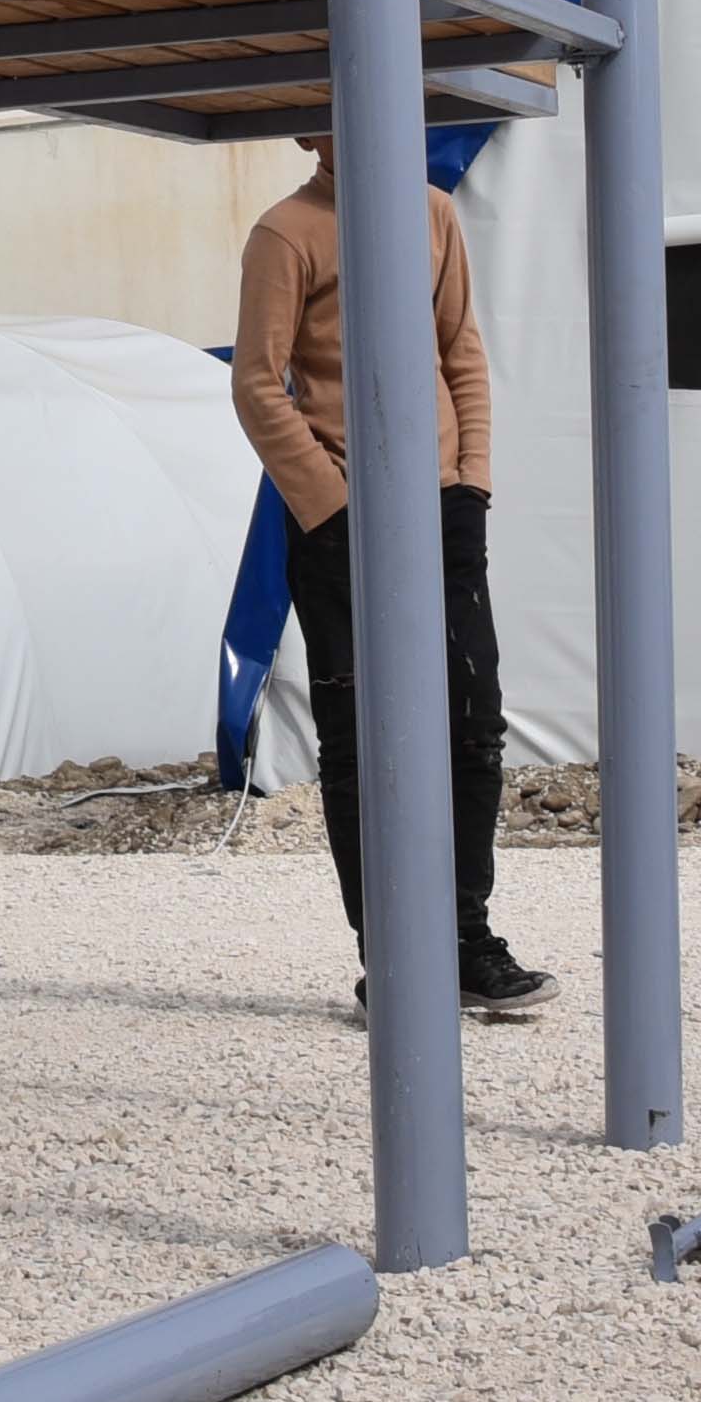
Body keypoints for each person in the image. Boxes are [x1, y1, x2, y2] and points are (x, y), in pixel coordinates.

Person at [231, 133, 552, 1021]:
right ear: (309, 132)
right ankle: (392, 957)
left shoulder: (434, 214)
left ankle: (463, 940)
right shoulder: (287, 232)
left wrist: (473, 481)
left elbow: (464, 355)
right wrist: (332, 506)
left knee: (472, 718)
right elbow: (259, 385)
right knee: (359, 737)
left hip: (445, 508)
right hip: (339, 522)